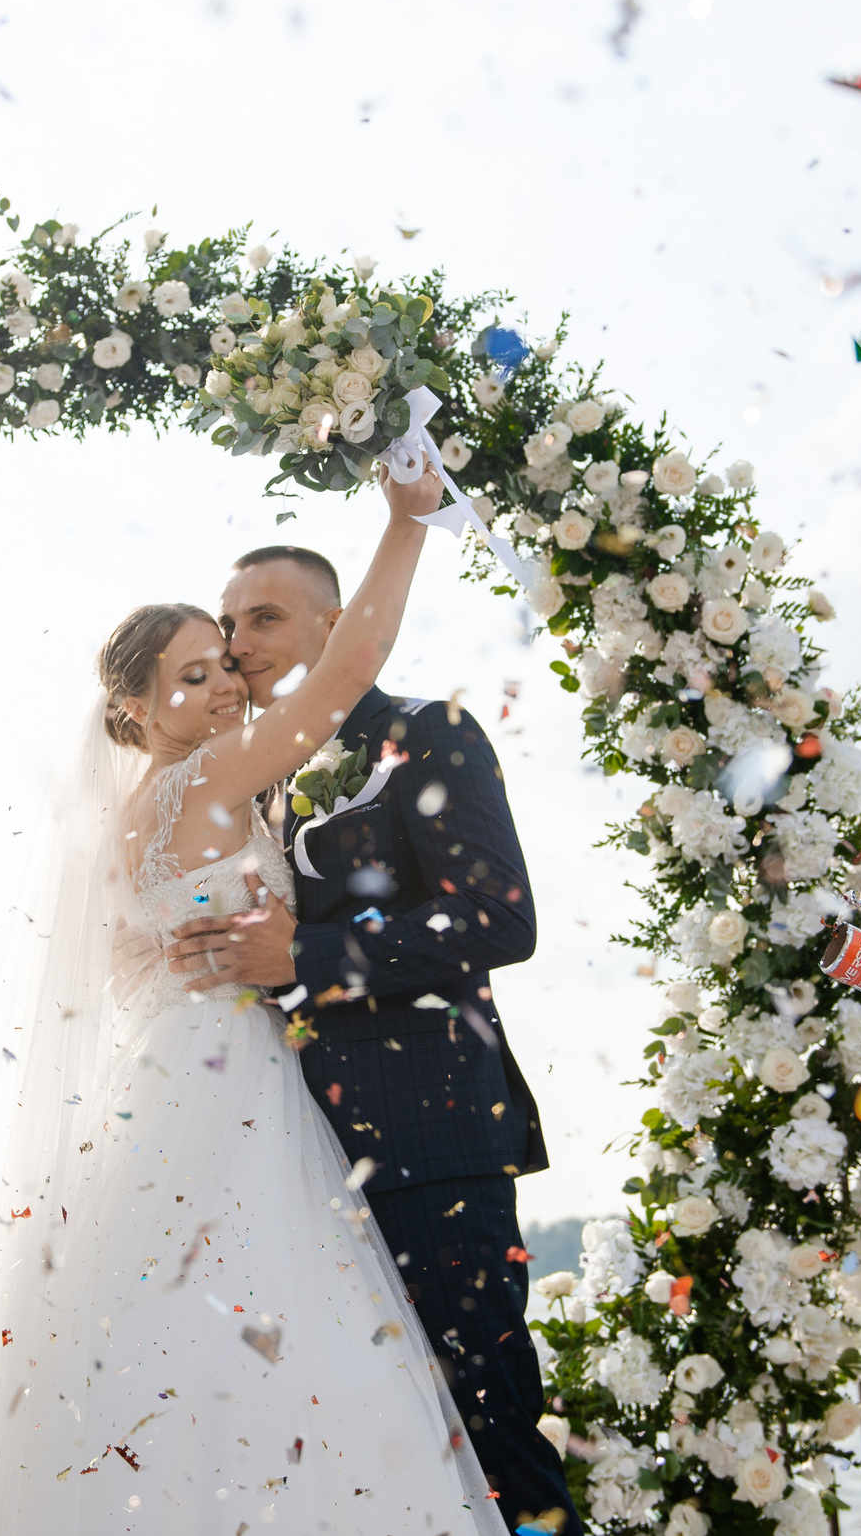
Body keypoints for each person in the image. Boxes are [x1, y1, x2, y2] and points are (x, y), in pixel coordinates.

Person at [0, 466, 511, 1534]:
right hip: (224, 1082)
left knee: (170, 1349)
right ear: (135, 704)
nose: (224, 689)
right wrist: (404, 522)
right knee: (259, 1341)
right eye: (193, 674)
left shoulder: (136, 815)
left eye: (224, 667)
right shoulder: (203, 782)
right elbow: (347, 667)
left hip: (169, 1073)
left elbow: (128, 964)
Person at [167, 543, 580, 1534]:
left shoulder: (423, 732)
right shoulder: (262, 780)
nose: (238, 642)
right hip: (297, 1166)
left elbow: (497, 918)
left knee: (491, 1436)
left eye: (263, 616)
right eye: (229, 624)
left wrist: (308, 955)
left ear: (331, 622)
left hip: (429, 1140)